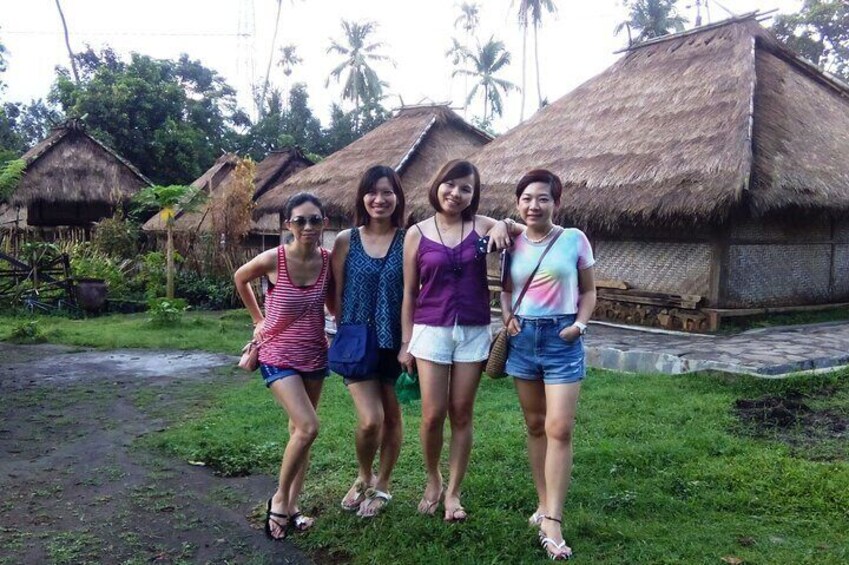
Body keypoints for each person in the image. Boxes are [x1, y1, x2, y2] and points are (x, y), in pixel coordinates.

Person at [399, 159, 522, 522]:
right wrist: (406, 341)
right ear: (438, 185)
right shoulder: (417, 233)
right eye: (450, 185)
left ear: (474, 194)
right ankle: (433, 478)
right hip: (430, 329)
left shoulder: (482, 227)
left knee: (462, 413)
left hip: (472, 330)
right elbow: (408, 292)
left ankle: (454, 491)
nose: (456, 193)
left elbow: (519, 229)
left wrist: (504, 222)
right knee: (433, 414)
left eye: (465, 188)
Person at [500, 169, 596, 560]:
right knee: (536, 425)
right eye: (526, 198)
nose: (533, 205)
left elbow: (589, 290)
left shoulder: (574, 239)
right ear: (517, 203)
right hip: (523, 340)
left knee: (560, 427)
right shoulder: (512, 242)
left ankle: (553, 518)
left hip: (562, 339)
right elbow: (505, 291)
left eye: (542, 198)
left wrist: (579, 325)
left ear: (556, 202)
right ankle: (542, 503)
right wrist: (508, 318)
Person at [233, 192, 333, 541]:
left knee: (298, 435)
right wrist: (257, 318)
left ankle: (292, 506)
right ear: (288, 224)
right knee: (308, 428)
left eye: (315, 219)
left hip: (315, 356)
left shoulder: (328, 261)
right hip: (277, 354)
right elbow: (240, 278)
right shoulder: (273, 259)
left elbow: (333, 305)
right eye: (300, 220)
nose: (308, 226)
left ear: (325, 224)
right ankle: (278, 500)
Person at [330, 165, 406, 518]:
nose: (380, 199)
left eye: (387, 192)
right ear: (363, 196)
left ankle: (383, 485)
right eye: (373, 191)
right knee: (370, 420)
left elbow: (415, 292)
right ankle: (363, 475)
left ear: (397, 197)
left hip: (396, 341)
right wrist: (344, 324)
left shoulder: (410, 239)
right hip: (357, 339)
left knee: (392, 417)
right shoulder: (347, 239)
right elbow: (335, 290)